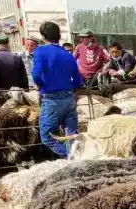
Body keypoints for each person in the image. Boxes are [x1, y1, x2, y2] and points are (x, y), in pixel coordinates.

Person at [32, 21, 82, 157]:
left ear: (43, 36)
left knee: (47, 137)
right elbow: (78, 80)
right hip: (69, 99)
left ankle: (70, 157)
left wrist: (42, 85)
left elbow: (36, 75)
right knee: (71, 136)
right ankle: (75, 157)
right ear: (58, 35)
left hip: (51, 99)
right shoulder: (68, 55)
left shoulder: (40, 51)